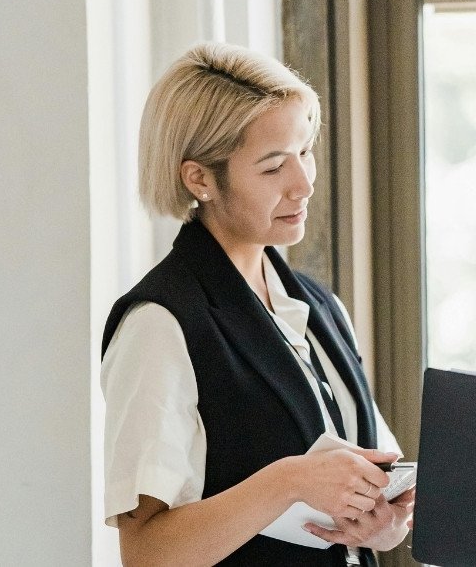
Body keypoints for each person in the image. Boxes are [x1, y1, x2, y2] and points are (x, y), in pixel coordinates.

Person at [101, 43, 413, 566]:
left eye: (305, 152)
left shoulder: (320, 307)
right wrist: (288, 480)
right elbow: (145, 553)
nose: (304, 183)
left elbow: (374, 492)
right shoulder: (160, 323)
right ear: (199, 178)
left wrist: (383, 527)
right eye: (273, 167)